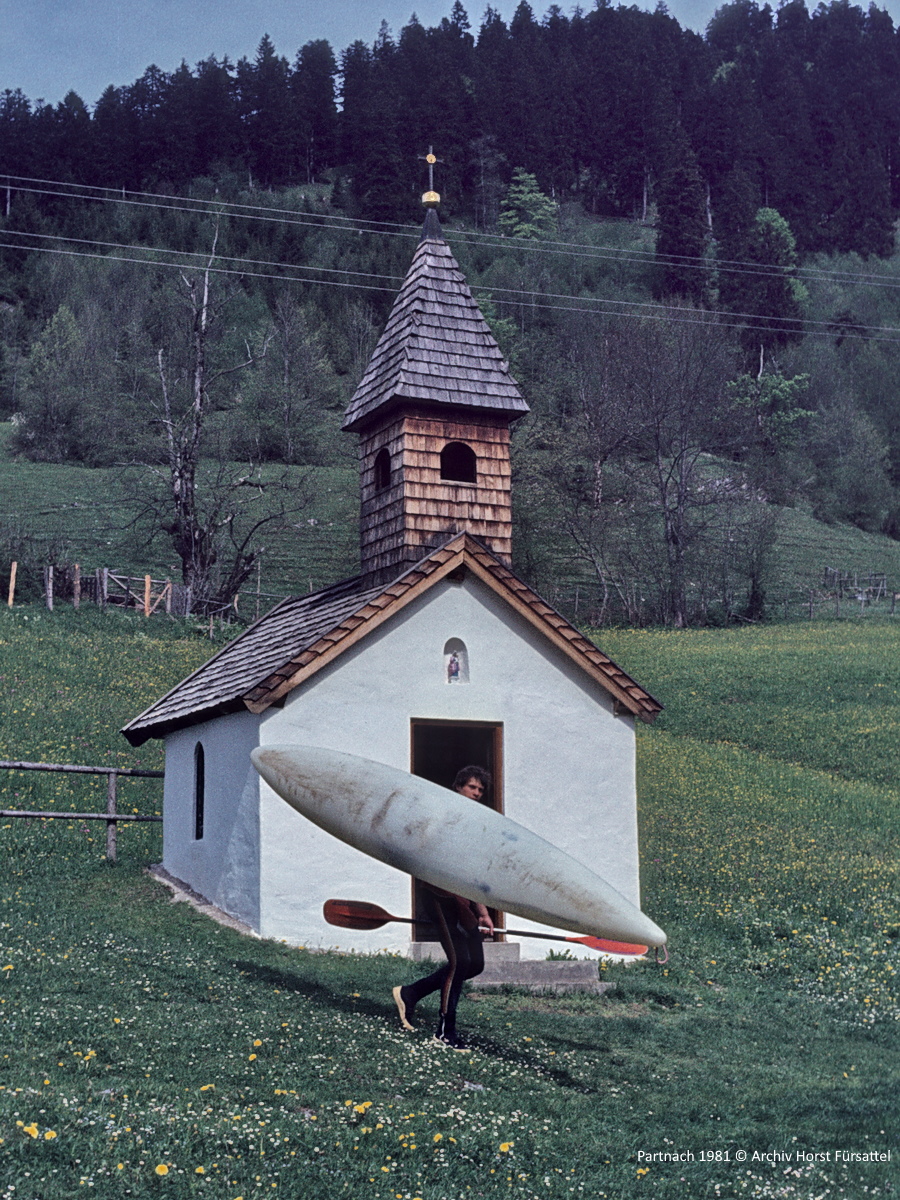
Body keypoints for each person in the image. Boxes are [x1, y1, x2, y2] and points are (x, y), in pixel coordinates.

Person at [392, 765, 494, 1051]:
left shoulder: (473, 824)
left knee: (475, 964)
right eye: (472, 787)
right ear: (458, 786)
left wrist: (483, 912)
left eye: (480, 790)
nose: (477, 794)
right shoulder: (443, 815)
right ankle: (445, 1031)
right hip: (438, 895)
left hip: (461, 899)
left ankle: (411, 993)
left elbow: (472, 873)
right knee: (460, 962)